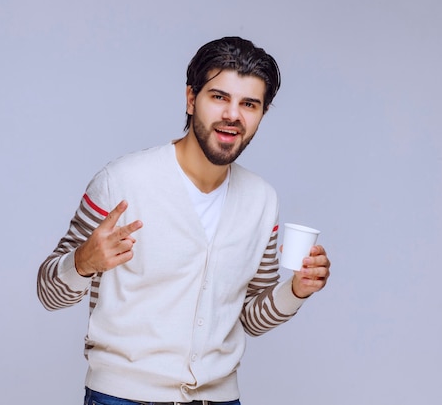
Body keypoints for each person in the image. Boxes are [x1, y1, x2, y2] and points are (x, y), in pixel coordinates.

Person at [37, 36, 331, 405]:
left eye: (249, 104)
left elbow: (251, 318)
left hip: (220, 398)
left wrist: (297, 289)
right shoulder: (122, 182)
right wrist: (82, 262)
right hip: (122, 398)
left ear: (262, 114)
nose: (232, 115)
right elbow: (48, 292)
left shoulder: (262, 201)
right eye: (219, 97)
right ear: (192, 99)